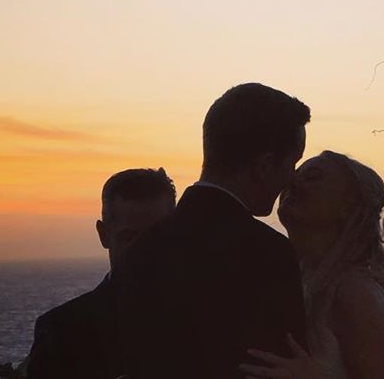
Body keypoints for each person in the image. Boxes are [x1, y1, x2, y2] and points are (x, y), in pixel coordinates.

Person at [114, 83, 311, 379]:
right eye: (291, 164)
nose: (292, 179)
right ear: (264, 166)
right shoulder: (267, 254)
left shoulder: (141, 252)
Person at [241, 152, 384, 379]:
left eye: (313, 177)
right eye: (294, 175)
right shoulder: (289, 279)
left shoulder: (354, 292)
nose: (292, 182)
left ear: (348, 206)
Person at [26, 167, 176, 379]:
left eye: (156, 237)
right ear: (104, 234)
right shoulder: (62, 333)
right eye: (129, 238)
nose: (145, 250)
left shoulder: (215, 317)